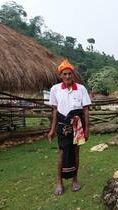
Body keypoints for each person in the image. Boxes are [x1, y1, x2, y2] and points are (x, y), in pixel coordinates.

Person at [48, 59, 91, 195]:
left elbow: (85, 110)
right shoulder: (55, 89)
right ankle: (59, 181)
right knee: (62, 152)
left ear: (73, 75)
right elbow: (55, 110)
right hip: (62, 124)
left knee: (76, 152)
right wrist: (52, 129)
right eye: (64, 74)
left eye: (70, 74)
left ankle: (74, 179)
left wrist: (87, 129)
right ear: (60, 75)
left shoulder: (81, 89)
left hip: (78, 124)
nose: (67, 76)